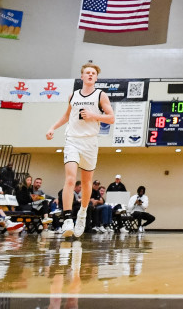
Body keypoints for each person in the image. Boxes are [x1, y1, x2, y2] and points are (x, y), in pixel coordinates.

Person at [45, 63, 114, 239]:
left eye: (93, 73)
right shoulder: (73, 96)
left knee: (86, 182)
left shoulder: (101, 95)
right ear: (82, 76)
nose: (90, 75)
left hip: (90, 142)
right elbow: (66, 116)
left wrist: (93, 116)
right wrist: (53, 127)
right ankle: (68, 218)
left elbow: (111, 118)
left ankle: (82, 212)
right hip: (72, 140)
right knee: (69, 178)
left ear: (96, 78)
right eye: (87, 73)